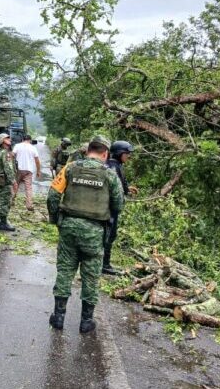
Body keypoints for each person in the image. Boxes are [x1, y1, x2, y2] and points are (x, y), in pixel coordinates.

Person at [47, 136, 124, 333]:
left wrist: (55, 219)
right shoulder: (109, 174)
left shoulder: (70, 168)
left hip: (69, 227)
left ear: (88, 150)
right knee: (91, 275)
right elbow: (118, 204)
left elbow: (53, 194)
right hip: (95, 231)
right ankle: (86, 321)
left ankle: (58, 317)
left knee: (65, 270)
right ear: (105, 154)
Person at [102, 140, 137, 275]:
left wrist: (127, 189)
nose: (128, 156)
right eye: (127, 153)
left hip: (112, 208)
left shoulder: (116, 165)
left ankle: (104, 263)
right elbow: (113, 189)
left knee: (110, 235)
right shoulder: (112, 167)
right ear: (119, 153)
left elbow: (119, 184)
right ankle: (104, 265)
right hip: (110, 208)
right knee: (109, 235)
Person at [0, 133, 16, 231]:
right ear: (2, 141)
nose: (9, 139)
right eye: (7, 138)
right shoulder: (5, 153)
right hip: (4, 180)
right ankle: (3, 223)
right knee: (5, 201)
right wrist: (13, 181)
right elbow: (8, 168)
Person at [11, 134, 41, 211]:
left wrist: (11, 166)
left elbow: (12, 155)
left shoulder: (17, 146)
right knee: (28, 188)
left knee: (15, 185)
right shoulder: (33, 148)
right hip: (29, 170)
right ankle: (29, 205)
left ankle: (11, 201)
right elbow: (37, 161)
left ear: (22, 139)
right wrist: (38, 171)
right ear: (30, 140)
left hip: (19, 170)